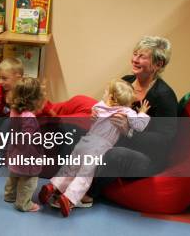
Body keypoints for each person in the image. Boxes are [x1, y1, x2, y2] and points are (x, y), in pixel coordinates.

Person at [39, 79, 151, 217]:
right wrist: (142, 112)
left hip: (85, 142)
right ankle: (69, 198)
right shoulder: (126, 111)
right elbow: (139, 126)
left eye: (105, 92)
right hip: (98, 147)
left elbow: (93, 117)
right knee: (84, 176)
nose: (103, 94)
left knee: (70, 168)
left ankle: (52, 187)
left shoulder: (99, 106)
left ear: (111, 98)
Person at [87, 36, 178, 200]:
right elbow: (107, 107)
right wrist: (98, 115)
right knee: (76, 135)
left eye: (142, 57)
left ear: (158, 64)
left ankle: (85, 194)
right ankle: (61, 184)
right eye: (135, 54)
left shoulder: (164, 96)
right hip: (112, 141)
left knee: (116, 155)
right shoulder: (125, 82)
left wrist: (129, 131)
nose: (135, 60)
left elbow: (164, 141)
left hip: (146, 157)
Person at [0, 58, 54, 169]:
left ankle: (0, 154)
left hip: (14, 127)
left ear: (18, 77)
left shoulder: (25, 89)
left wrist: (54, 117)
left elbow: (43, 103)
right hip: (1, 119)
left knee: (9, 122)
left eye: (4, 78)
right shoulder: (2, 87)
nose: (0, 81)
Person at [3, 77, 46, 212]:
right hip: (27, 157)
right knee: (28, 181)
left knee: (14, 175)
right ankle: (23, 204)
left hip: (14, 151)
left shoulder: (14, 111)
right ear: (35, 100)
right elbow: (28, 138)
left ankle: (10, 195)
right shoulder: (29, 117)